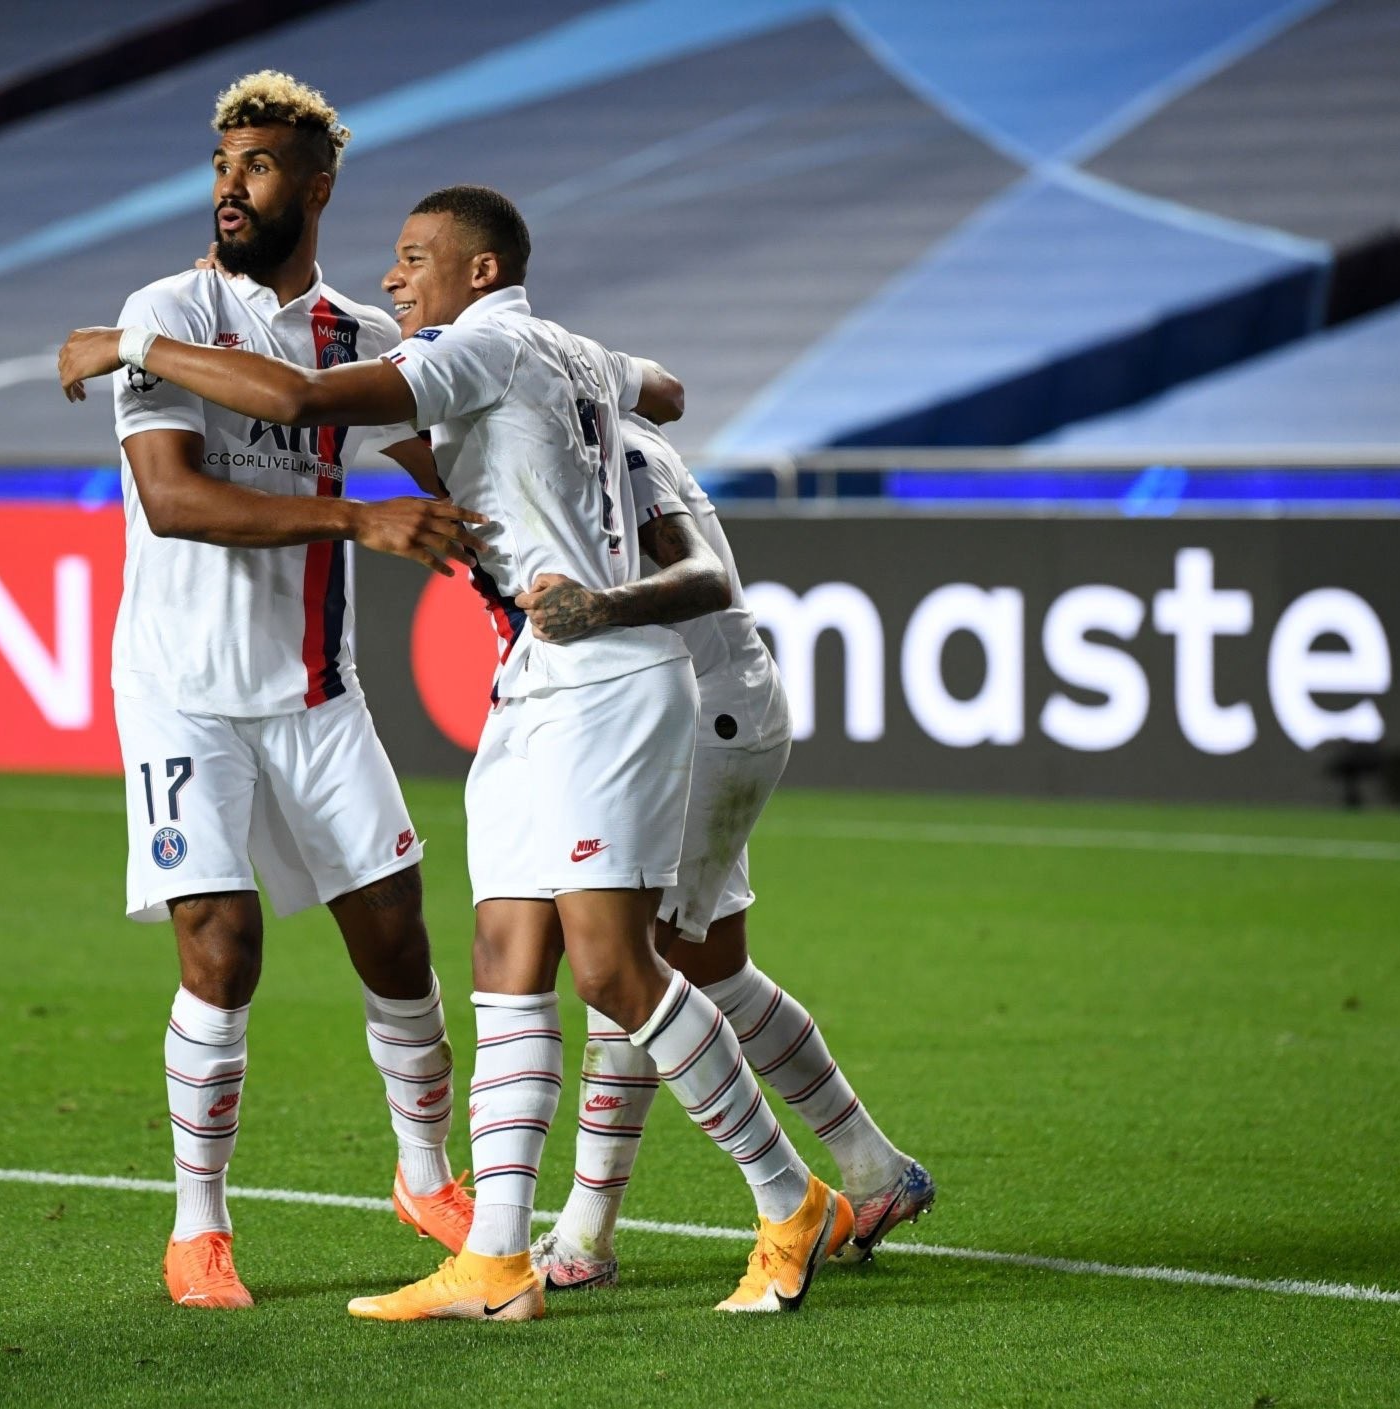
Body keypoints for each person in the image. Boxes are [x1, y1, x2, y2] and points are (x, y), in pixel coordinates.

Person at [62, 185, 851, 1319]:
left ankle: (790, 1200)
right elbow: (666, 389)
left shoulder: (472, 350)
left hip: (602, 681)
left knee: (613, 970)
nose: (393, 279)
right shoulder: (563, 348)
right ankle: (495, 1257)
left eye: (414, 257)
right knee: (503, 959)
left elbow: (300, 397)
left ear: (479, 273)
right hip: (533, 680)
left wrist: (131, 344)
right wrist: (588, 389)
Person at [75, 71, 490, 1311]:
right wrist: (356, 519)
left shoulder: (355, 334)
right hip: (181, 689)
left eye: (255, 167)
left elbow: (443, 458)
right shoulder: (163, 313)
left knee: (396, 931)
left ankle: (424, 1175)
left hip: (312, 686)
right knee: (224, 945)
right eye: (221, 166)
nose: (229, 188)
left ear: (314, 188)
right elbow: (173, 500)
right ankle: (197, 1226)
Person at [526, 416, 936, 1292]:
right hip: (705, 714)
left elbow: (700, 576)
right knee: (711, 967)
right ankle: (875, 1168)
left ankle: (585, 1237)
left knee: (627, 969)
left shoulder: (615, 451)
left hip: (702, 719)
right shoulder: (598, 433)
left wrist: (595, 610)